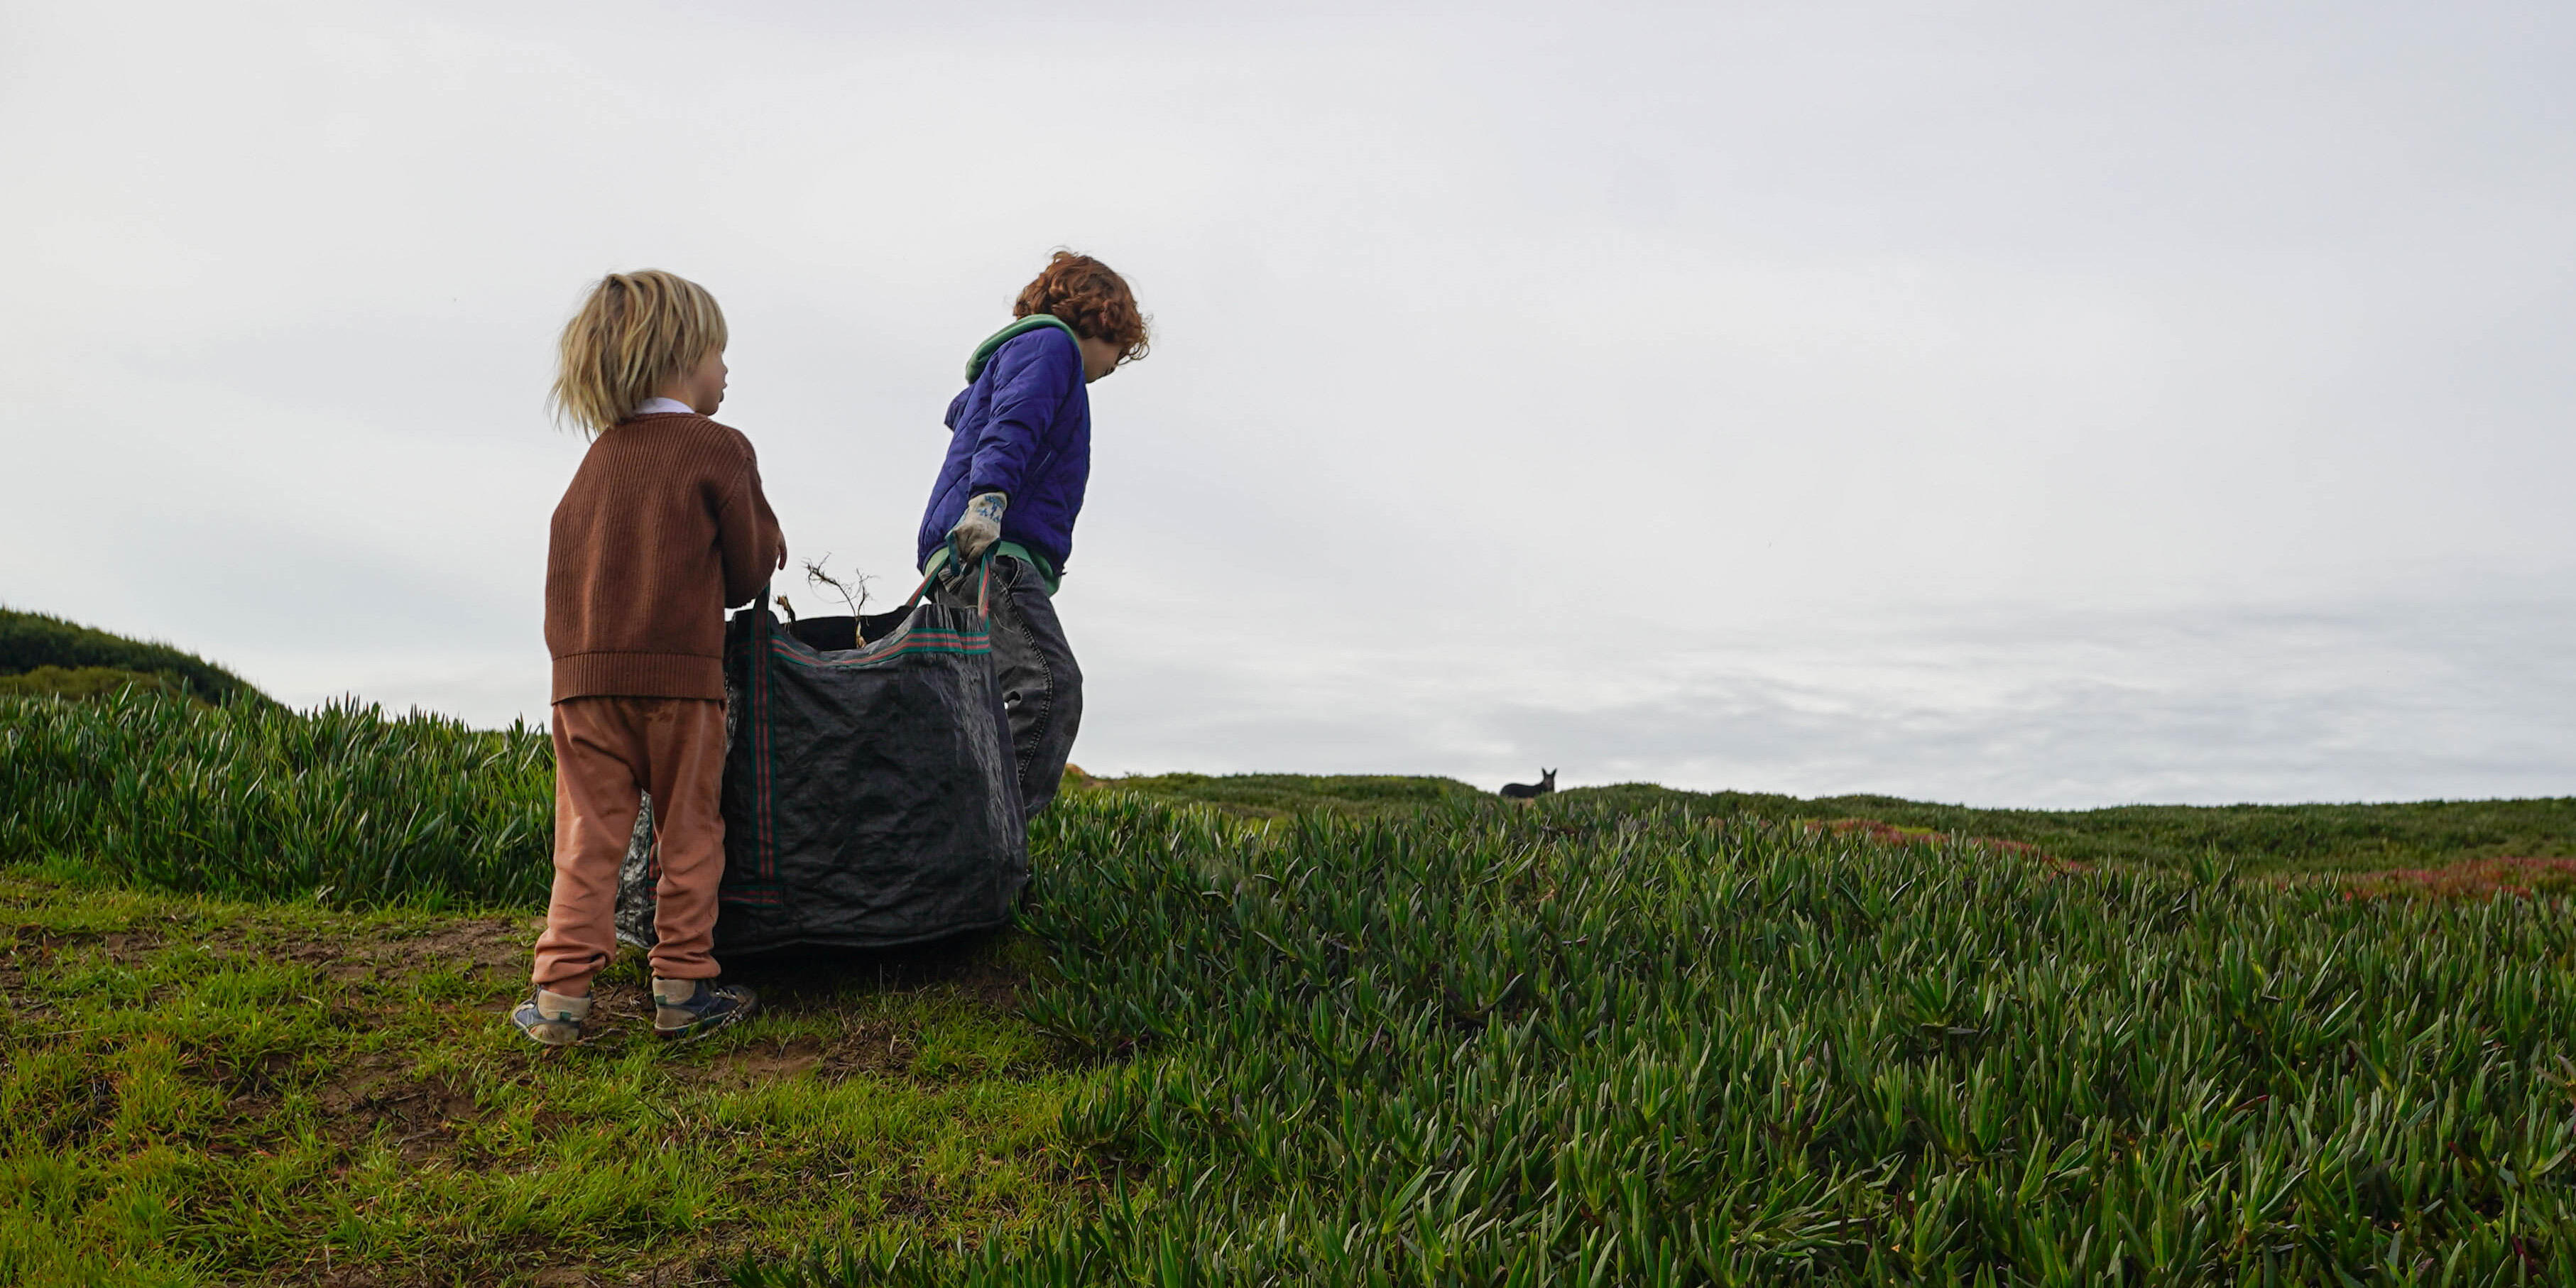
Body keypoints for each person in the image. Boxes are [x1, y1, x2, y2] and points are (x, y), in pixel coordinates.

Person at [515, 269, 785, 1047]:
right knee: (690, 832)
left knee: (589, 839)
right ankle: (683, 987)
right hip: (682, 685)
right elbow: (746, 574)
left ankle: (560, 998)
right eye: (718, 354)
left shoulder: (594, 463)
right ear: (681, 357)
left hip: (583, 686)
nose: (727, 371)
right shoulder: (718, 449)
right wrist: (769, 543)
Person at [915, 251, 1148, 821]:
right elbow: (1013, 422)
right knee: (1049, 686)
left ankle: (954, 835)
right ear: (1099, 317)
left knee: (979, 707)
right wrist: (989, 501)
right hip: (995, 548)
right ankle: (998, 843)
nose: (1117, 361)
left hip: (965, 555)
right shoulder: (1052, 347)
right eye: (1119, 344)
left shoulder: (1022, 357)